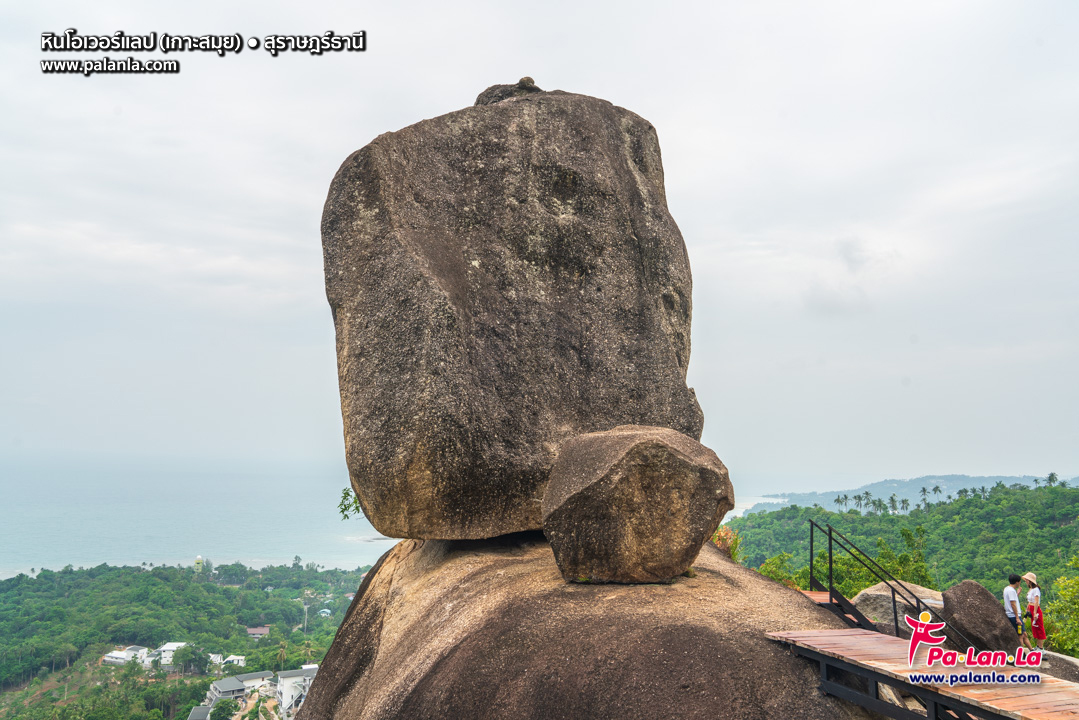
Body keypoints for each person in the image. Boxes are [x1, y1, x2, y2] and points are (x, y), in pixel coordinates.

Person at [1004, 574, 1032, 649]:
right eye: (1019, 581)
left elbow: (1012, 600)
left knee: (1024, 634)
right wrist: (1017, 618)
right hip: (1014, 616)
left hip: (1012, 615)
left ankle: (1031, 650)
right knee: (1021, 635)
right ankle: (1021, 653)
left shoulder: (1007, 589)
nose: (1020, 583)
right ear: (1017, 582)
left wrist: (1017, 594)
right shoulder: (1011, 591)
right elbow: (1013, 604)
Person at [1023, 572, 1046, 649]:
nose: (1025, 581)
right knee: (1035, 628)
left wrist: (1035, 612)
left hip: (1036, 610)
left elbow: (1036, 601)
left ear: (1030, 581)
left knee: (1039, 628)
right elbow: (1030, 601)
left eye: (1026, 580)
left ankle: (1041, 647)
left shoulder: (1036, 589)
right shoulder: (1031, 589)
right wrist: (1028, 608)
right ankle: (1038, 646)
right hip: (1032, 608)